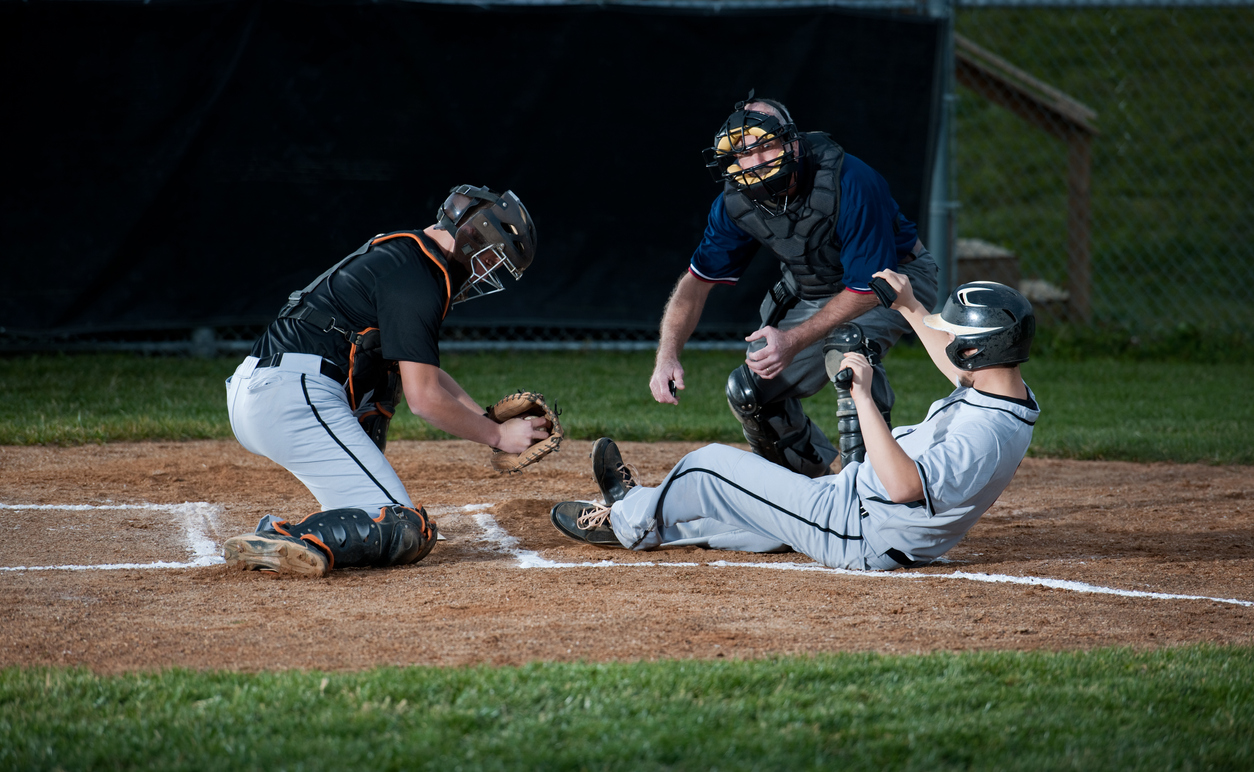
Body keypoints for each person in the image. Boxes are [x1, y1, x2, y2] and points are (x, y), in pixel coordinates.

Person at [553, 274, 1039, 571]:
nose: (947, 337)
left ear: (979, 349)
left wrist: (863, 397)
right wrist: (910, 306)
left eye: (955, 333)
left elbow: (904, 487)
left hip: (862, 530)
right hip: (857, 508)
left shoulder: (986, 433)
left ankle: (627, 517)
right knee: (731, 517)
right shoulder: (1004, 389)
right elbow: (958, 369)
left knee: (708, 467)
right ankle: (648, 518)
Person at [222, 185, 547, 578]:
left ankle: (344, 505)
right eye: (493, 256)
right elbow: (424, 398)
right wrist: (497, 437)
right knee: (405, 527)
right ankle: (292, 537)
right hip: (292, 399)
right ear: (471, 237)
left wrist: (485, 417)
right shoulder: (418, 280)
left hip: (273, 392)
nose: (487, 271)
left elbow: (424, 371)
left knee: (386, 386)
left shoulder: (409, 257)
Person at [649, 92, 940, 477]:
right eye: (741, 154)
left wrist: (793, 340)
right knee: (749, 391)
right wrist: (666, 355)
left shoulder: (849, 181)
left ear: (793, 142)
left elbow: (867, 288)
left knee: (848, 355)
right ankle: (805, 490)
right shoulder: (734, 203)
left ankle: (870, 488)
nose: (753, 163)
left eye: (765, 147)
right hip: (817, 287)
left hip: (897, 280)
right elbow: (695, 284)